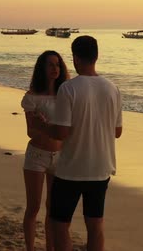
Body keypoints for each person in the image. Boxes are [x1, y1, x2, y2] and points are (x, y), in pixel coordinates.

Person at [48, 35, 123, 251]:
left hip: (71, 169)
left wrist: (45, 126)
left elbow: (61, 132)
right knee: (95, 225)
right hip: (101, 168)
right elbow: (117, 132)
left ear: (75, 58)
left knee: (60, 224)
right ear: (96, 57)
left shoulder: (69, 88)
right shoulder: (112, 88)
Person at [21, 50, 70, 251]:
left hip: (60, 157)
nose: (55, 69)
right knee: (33, 207)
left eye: (58, 65)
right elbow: (30, 132)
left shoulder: (65, 95)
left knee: (53, 209)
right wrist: (44, 127)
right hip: (37, 156)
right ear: (42, 68)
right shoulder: (33, 97)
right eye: (50, 65)